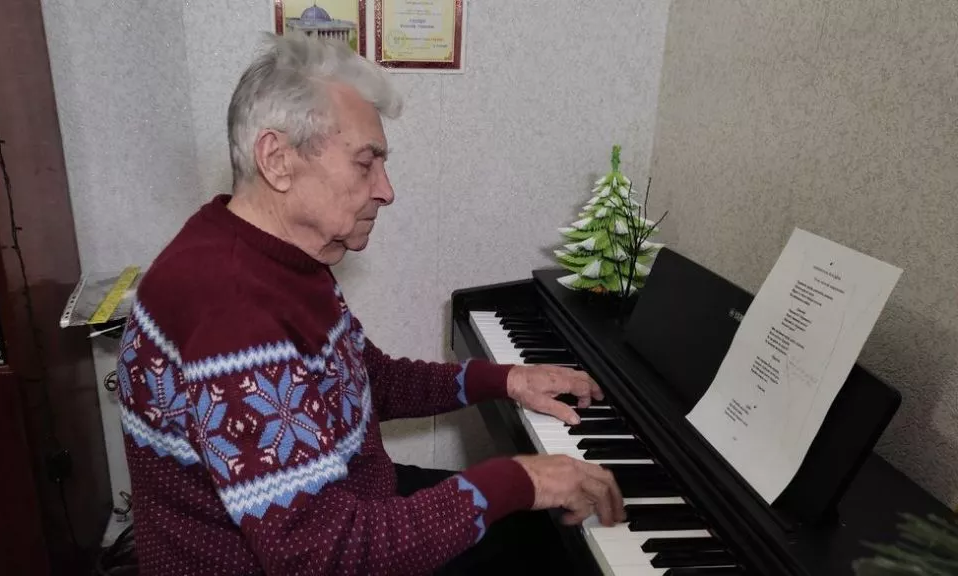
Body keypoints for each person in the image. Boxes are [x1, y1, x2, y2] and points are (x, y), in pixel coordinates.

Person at [116, 32, 624, 576]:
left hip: (354, 503)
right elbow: (325, 556)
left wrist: (505, 380)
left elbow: (366, 380)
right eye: (366, 164)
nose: (386, 190)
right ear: (277, 159)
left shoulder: (280, 258)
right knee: (549, 545)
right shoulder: (232, 311)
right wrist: (521, 478)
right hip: (324, 549)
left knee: (545, 532)